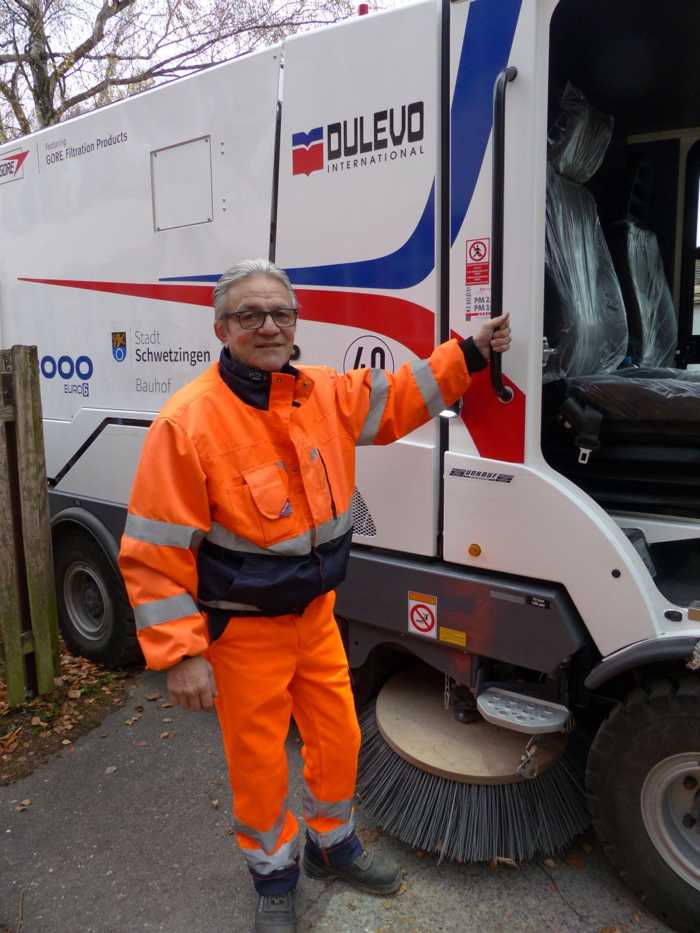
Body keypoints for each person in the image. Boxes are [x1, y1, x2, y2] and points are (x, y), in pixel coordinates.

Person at [118, 259, 511, 932]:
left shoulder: (325, 393)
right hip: (242, 635)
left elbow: (401, 396)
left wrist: (470, 352)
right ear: (221, 327)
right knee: (261, 764)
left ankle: (333, 844)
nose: (268, 326)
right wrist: (180, 652)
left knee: (339, 737)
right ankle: (274, 876)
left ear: (297, 323)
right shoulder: (188, 423)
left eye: (281, 313)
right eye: (250, 315)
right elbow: (156, 552)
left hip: (319, 617)